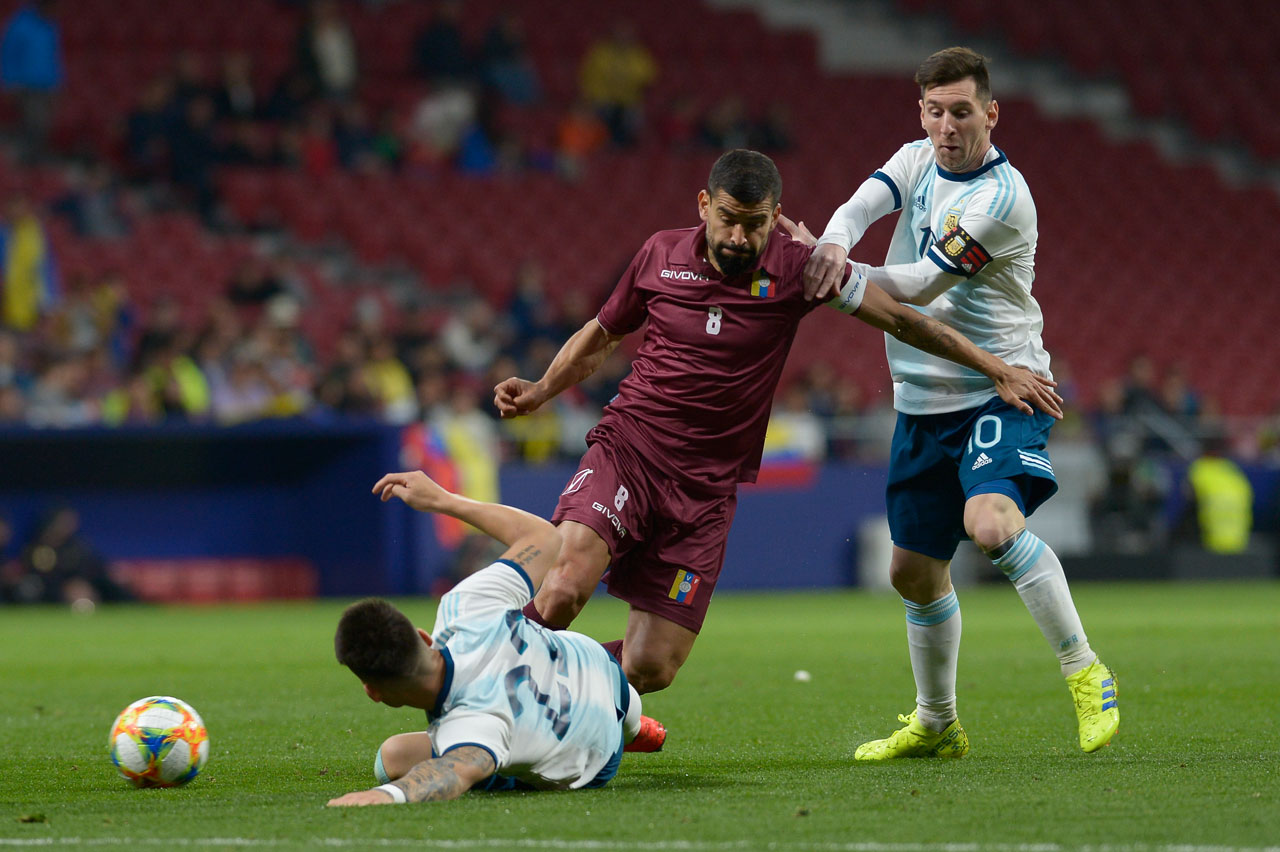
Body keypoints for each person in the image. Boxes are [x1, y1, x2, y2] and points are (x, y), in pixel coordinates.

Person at [493, 148, 1062, 697]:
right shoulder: (659, 254)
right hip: (630, 450)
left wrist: (995, 368)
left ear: (775, 217)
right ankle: (486, 684)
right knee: (564, 586)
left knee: (651, 666)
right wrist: (542, 389)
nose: (739, 238)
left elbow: (902, 320)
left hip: (705, 489)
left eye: (755, 224)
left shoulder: (797, 269)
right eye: (728, 220)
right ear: (704, 205)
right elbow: (602, 334)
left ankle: (556, 689)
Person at [802, 47, 1119, 758]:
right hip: (922, 403)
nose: (947, 126)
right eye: (935, 111)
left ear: (991, 113)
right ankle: (938, 723)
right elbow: (861, 204)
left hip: (999, 388)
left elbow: (919, 286)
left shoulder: (1001, 200)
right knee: (912, 574)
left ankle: (1085, 670)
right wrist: (830, 243)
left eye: (962, 112)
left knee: (991, 524)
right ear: (922, 112)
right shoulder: (917, 159)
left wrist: (835, 275)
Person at [327, 470, 665, 807]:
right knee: (606, 698)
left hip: (597, 753)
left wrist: (384, 794)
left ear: (373, 692)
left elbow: (453, 772)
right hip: (599, 669)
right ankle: (635, 726)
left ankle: (628, 728)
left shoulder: (470, 725)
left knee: (391, 759)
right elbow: (544, 537)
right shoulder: (466, 604)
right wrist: (443, 500)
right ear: (423, 637)